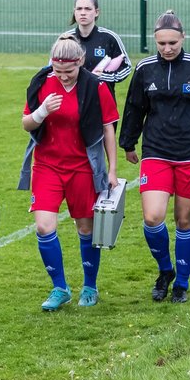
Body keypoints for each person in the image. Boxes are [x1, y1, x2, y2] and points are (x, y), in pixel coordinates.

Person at [121, 12, 190, 304]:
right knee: (152, 217)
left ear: (183, 38)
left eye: (172, 42)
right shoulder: (144, 69)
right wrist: (128, 143)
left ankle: (181, 282)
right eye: (161, 44)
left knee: (184, 221)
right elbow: (134, 107)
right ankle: (165, 270)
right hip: (156, 153)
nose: (167, 48)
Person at [19, 35, 119, 311]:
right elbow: (26, 123)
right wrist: (41, 112)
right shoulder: (41, 83)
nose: (62, 77)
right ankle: (59, 288)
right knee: (44, 226)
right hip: (47, 166)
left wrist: (112, 169)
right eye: (57, 71)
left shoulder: (96, 87)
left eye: (69, 72)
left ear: (81, 63)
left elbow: (108, 128)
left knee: (86, 228)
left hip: (82, 168)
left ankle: (89, 286)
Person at [62, 0, 132, 90]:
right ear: (74, 11)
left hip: (102, 100)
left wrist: (103, 77)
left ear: (97, 12)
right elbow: (54, 68)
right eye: (79, 9)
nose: (83, 13)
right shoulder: (66, 39)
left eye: (88, 9)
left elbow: (126, 67)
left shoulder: (109, 38)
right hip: (73, 99)